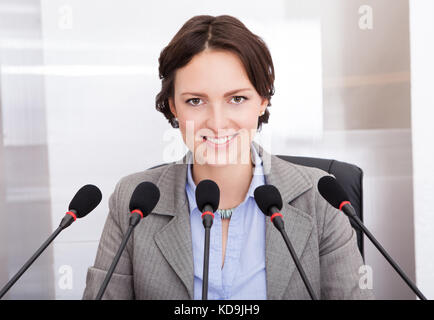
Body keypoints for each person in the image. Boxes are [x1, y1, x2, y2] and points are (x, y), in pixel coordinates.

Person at [82, 15, 374, 300]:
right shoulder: (131, 202)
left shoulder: (319, 199)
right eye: (195, 101)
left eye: (237, 99)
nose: (218, 122)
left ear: (262, 100)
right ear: (173, 107)